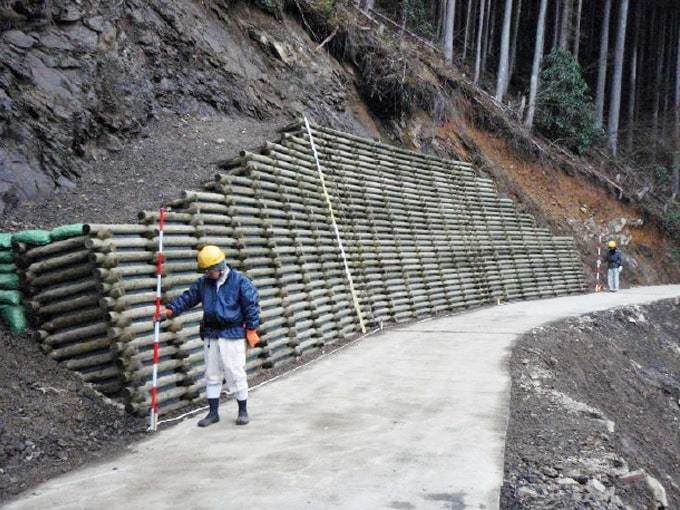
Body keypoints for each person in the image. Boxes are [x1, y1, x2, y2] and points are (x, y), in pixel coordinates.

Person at [163, 245, 260, 427]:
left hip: (233, 334)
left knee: (235, 372)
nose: (206, 274)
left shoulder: (240, 281)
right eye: (205, 271)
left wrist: (251, 329)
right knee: (212, 374)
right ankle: (213, 413)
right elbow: (188, 298)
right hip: (211, 333)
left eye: (209, 270)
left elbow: (251, 306)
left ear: (219, 267)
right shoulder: (203, 283)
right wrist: (170, 311)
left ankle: (243, 411)